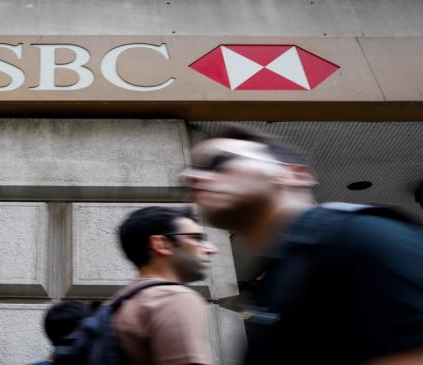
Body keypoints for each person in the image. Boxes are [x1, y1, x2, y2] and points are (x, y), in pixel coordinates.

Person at [184, 124, 423, 365]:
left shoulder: (361, 236)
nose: (193, 178)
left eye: (219, 162)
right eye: (194, 173)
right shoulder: (278, 280)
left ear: (294, 174)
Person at [113, 206, 216, 365]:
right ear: (161, 244)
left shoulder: (121, 301)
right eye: (196, 238)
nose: (211, 249)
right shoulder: (172, 299)